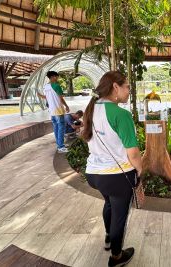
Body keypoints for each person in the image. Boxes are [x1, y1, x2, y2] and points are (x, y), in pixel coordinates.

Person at [82, 71, 142, 267]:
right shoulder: (121, 114)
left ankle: (108, 238)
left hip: (94, 174)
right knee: (120, 217)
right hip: (116, 176)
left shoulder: (91, 109)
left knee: (108, 203)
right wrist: (140, 172)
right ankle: (116, 257)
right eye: (127, 87)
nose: (129, 92)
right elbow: (133, 153)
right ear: (115, 87)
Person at [37, 71, 70, 153]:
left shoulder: (46, 87)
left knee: (56, 128)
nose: (57, 78)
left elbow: (46, 97)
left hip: (52, 111)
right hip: (58, 110)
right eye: (56, 76)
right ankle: (61, 147)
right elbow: (61, 98)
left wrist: (39, 95)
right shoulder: (57, 86)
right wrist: (66, 106)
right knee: (61, 128)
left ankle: (59, 144)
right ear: (52, 77)